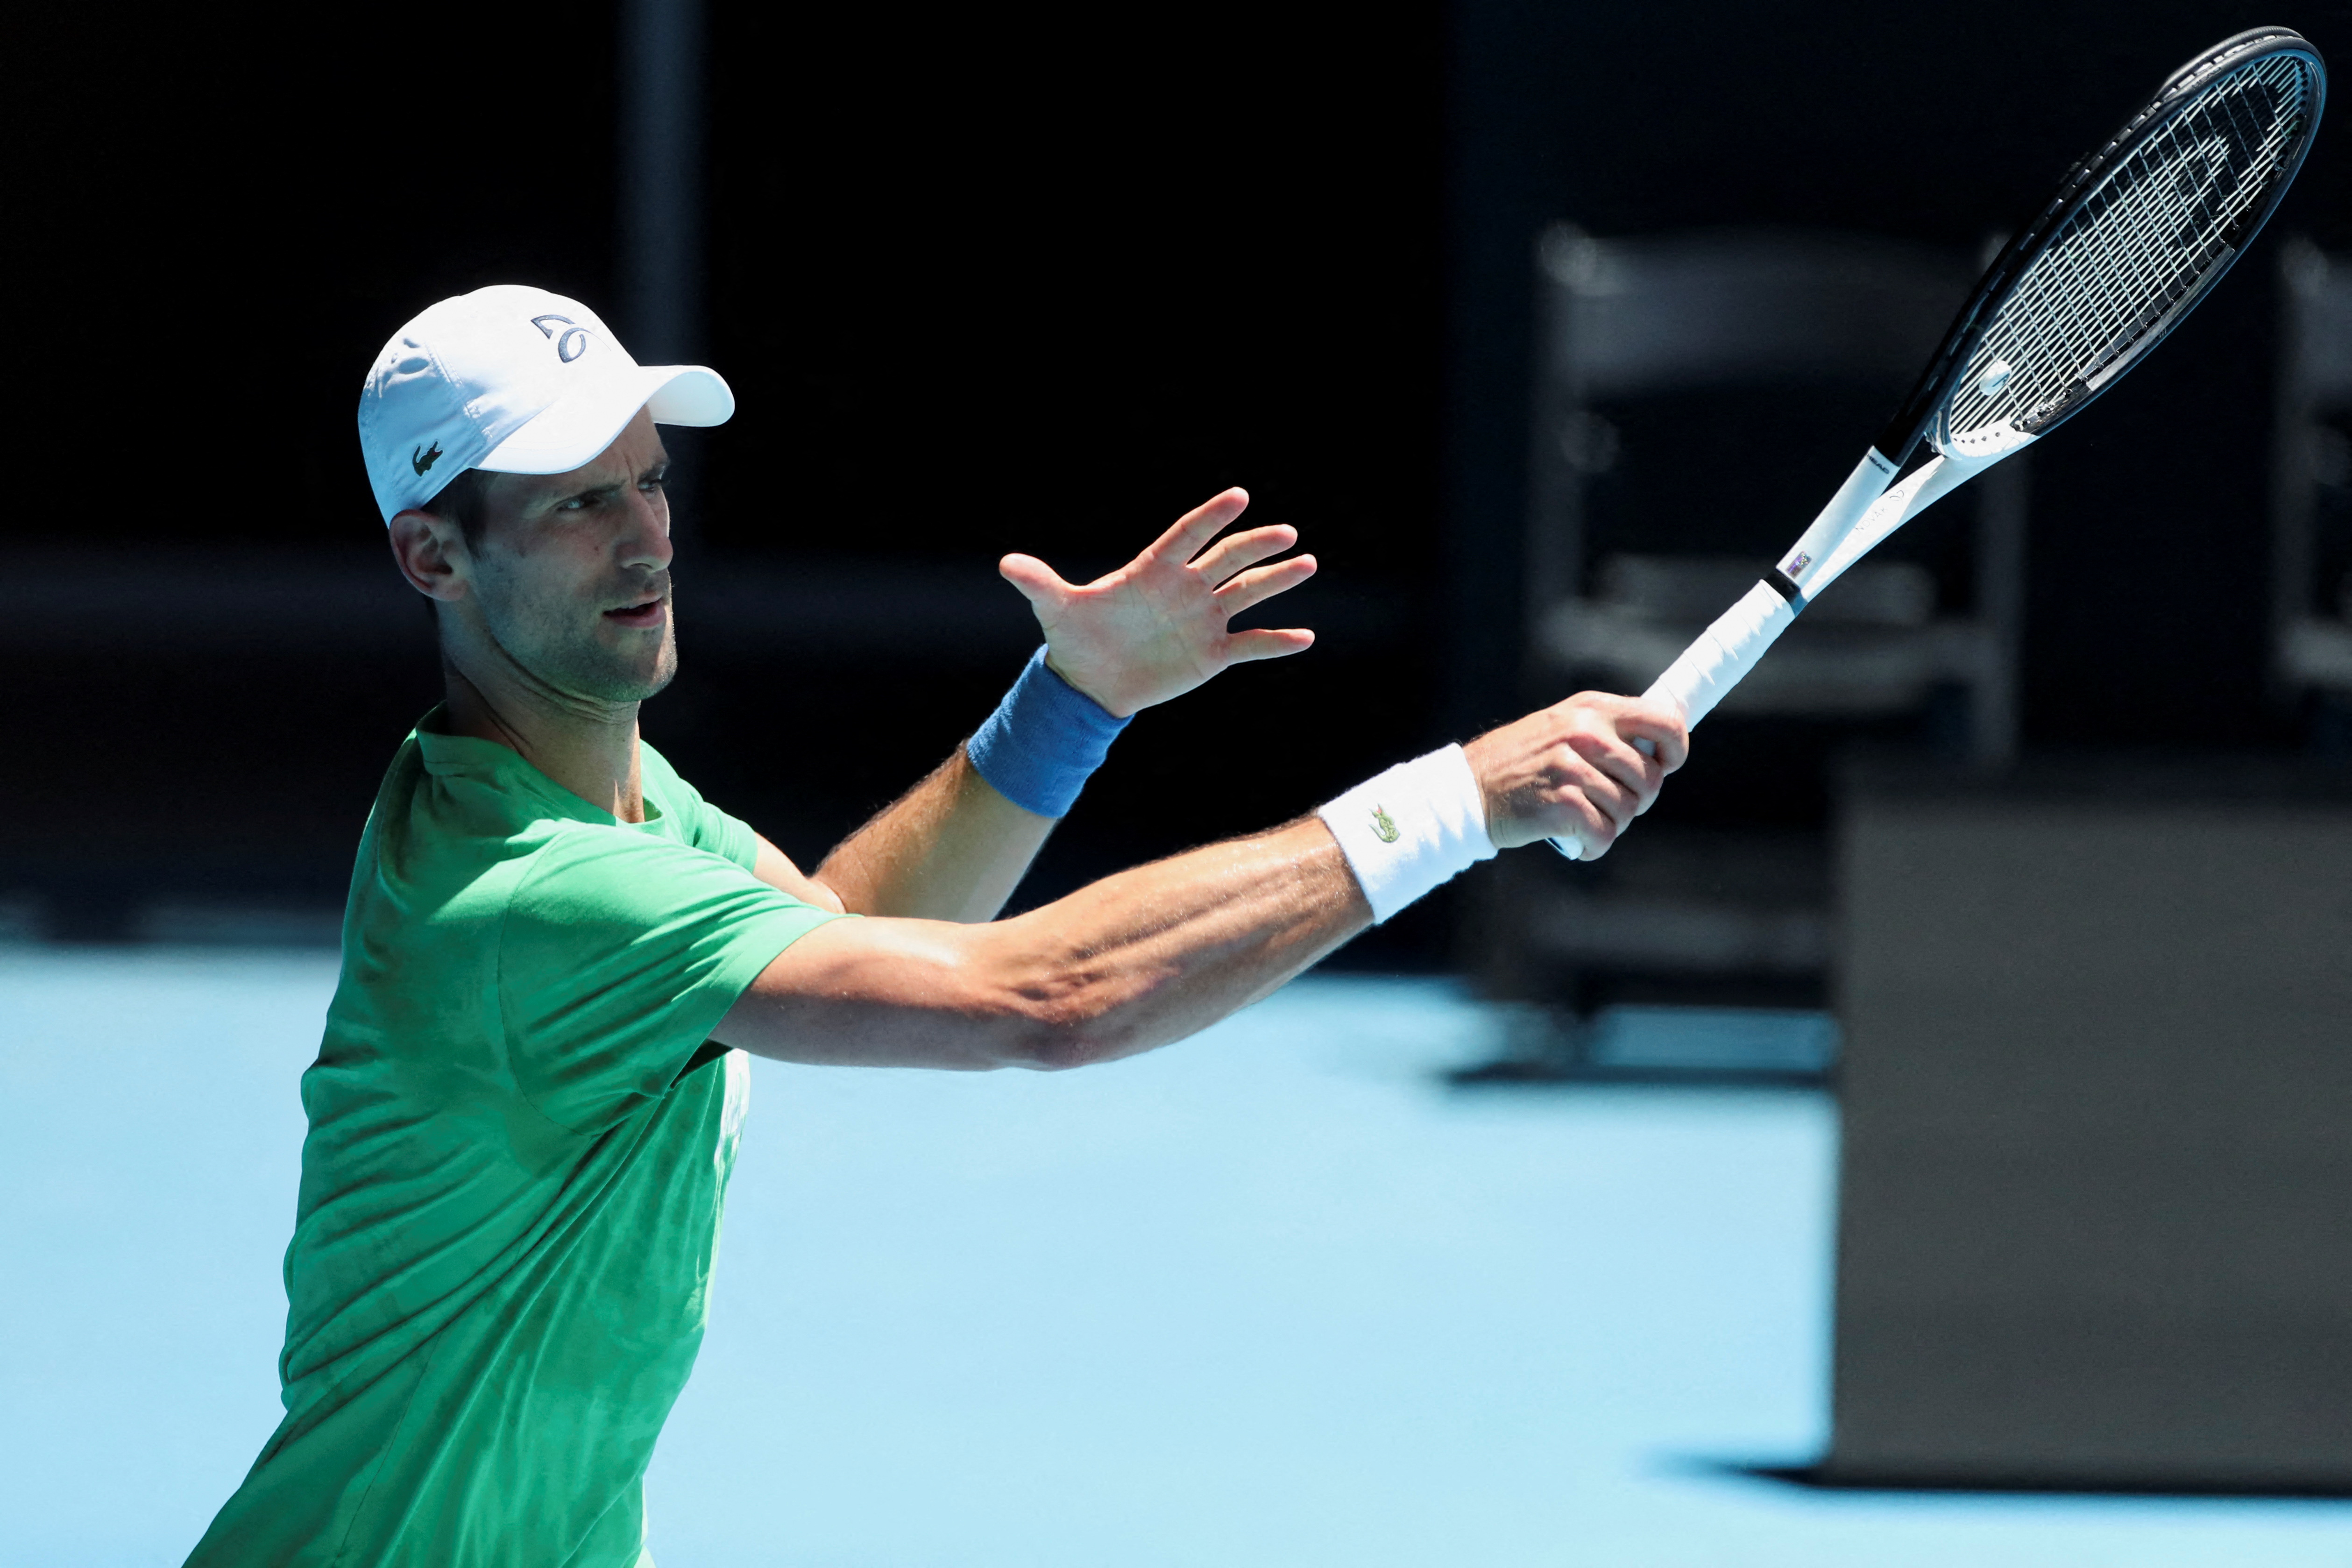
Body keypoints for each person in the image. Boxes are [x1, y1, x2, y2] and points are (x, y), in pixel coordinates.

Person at [185, 284, 1686, 1566]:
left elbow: (849, 930)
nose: (642, 536)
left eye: (644, 480)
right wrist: (1454, 803)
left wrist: (1071, 702)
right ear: (432, 557)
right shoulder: (532, 898)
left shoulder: (605, 804)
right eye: (574, 503)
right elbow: (1050, 999)